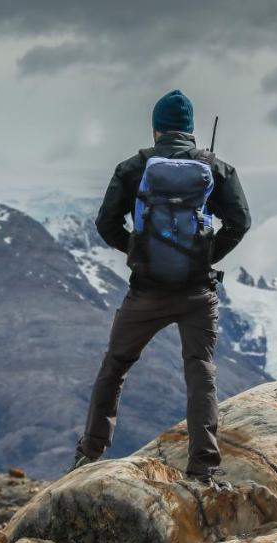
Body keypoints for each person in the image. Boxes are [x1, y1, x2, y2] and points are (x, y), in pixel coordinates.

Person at [69, 90, 251, 484]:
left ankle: (91, 453)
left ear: (155, 129)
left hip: (146, 290)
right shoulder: (215, 168)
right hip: (197, 293)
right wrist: (206, 255)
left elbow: (105, 223)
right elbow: (240, 222)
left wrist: (138, 251)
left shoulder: (133, 167)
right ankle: (203, 466)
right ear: (189, 130)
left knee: (115, 366)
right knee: (199, 370)